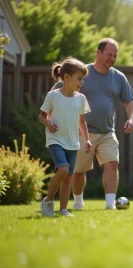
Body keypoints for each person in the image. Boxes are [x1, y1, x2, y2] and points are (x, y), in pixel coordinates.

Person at [52, 38, 133, 210]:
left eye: (115, 55)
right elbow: (57, 92)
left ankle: (110, 204)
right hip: (82, 131)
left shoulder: (118, 77)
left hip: (107, 131)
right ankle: (78, 202)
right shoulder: (83, 72)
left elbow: (130, 101)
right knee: (78, 171)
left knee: (112, 164)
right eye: (109, 54)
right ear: (98, 53)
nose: (112, 58)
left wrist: (131, 118)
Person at [39, 57, 92, 217]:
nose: (82, 82)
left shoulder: (81, 99)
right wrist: (48, 124)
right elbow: (42, 116)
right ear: (66, 77)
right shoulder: (53, 96)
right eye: (79, 78)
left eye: (83, 79)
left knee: (68, 177)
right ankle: (48, 201)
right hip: (56, 140)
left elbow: (82, 122)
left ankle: (63, 209)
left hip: (72, 142)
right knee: (63, 169)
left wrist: (87, 139)